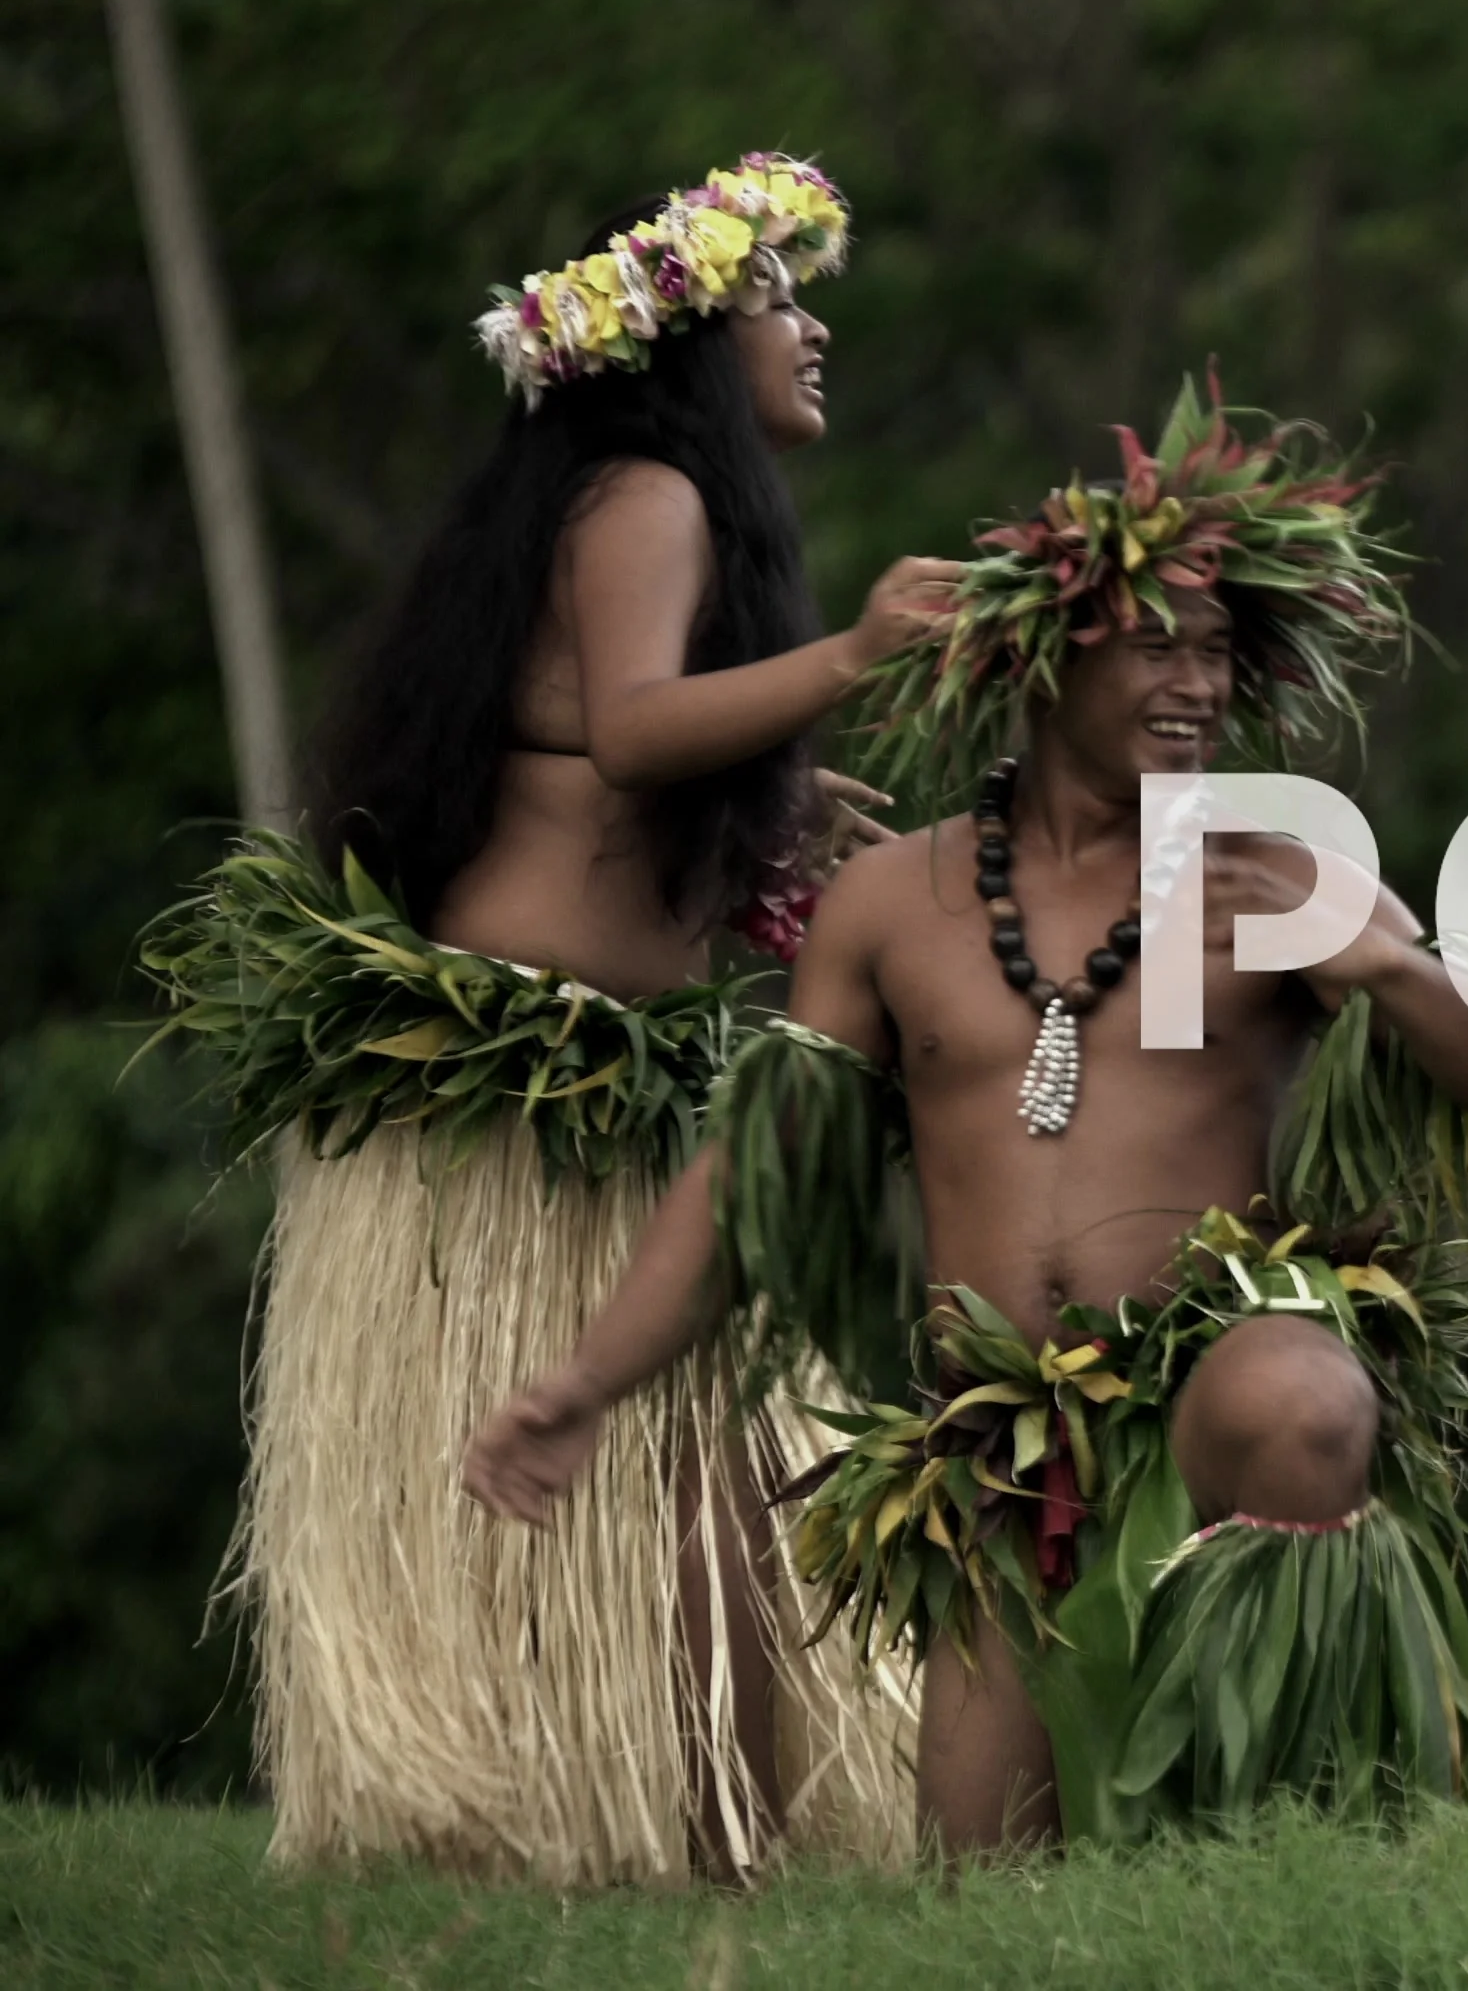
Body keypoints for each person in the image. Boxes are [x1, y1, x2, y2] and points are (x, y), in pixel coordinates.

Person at [460, 380, 1468, 1855]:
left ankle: (1295, 1828)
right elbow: (759, 1175)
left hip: (1206, 1377)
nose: (1194, 685)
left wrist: (1389, 971)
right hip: (989, 1452)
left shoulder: (1276, 871)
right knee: (981, 1887)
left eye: (1219, 655)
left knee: (1304, 1402)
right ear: (1046, 660)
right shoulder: (895, 902)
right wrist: (586, 1382)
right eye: (1154, 648)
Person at [143, 154, 957, 1884]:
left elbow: (610, 760)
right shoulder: (651, 494)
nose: (815, 333)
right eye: (783, 305)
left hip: (584, 1075)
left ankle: (631, 1808)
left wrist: (781, 814)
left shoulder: (610, 505)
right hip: (535, 1090)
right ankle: (588, 1806)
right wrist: (857, 654)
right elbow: (643, 724)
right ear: (687, 344)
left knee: (697, 1465)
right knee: (671, 1469)